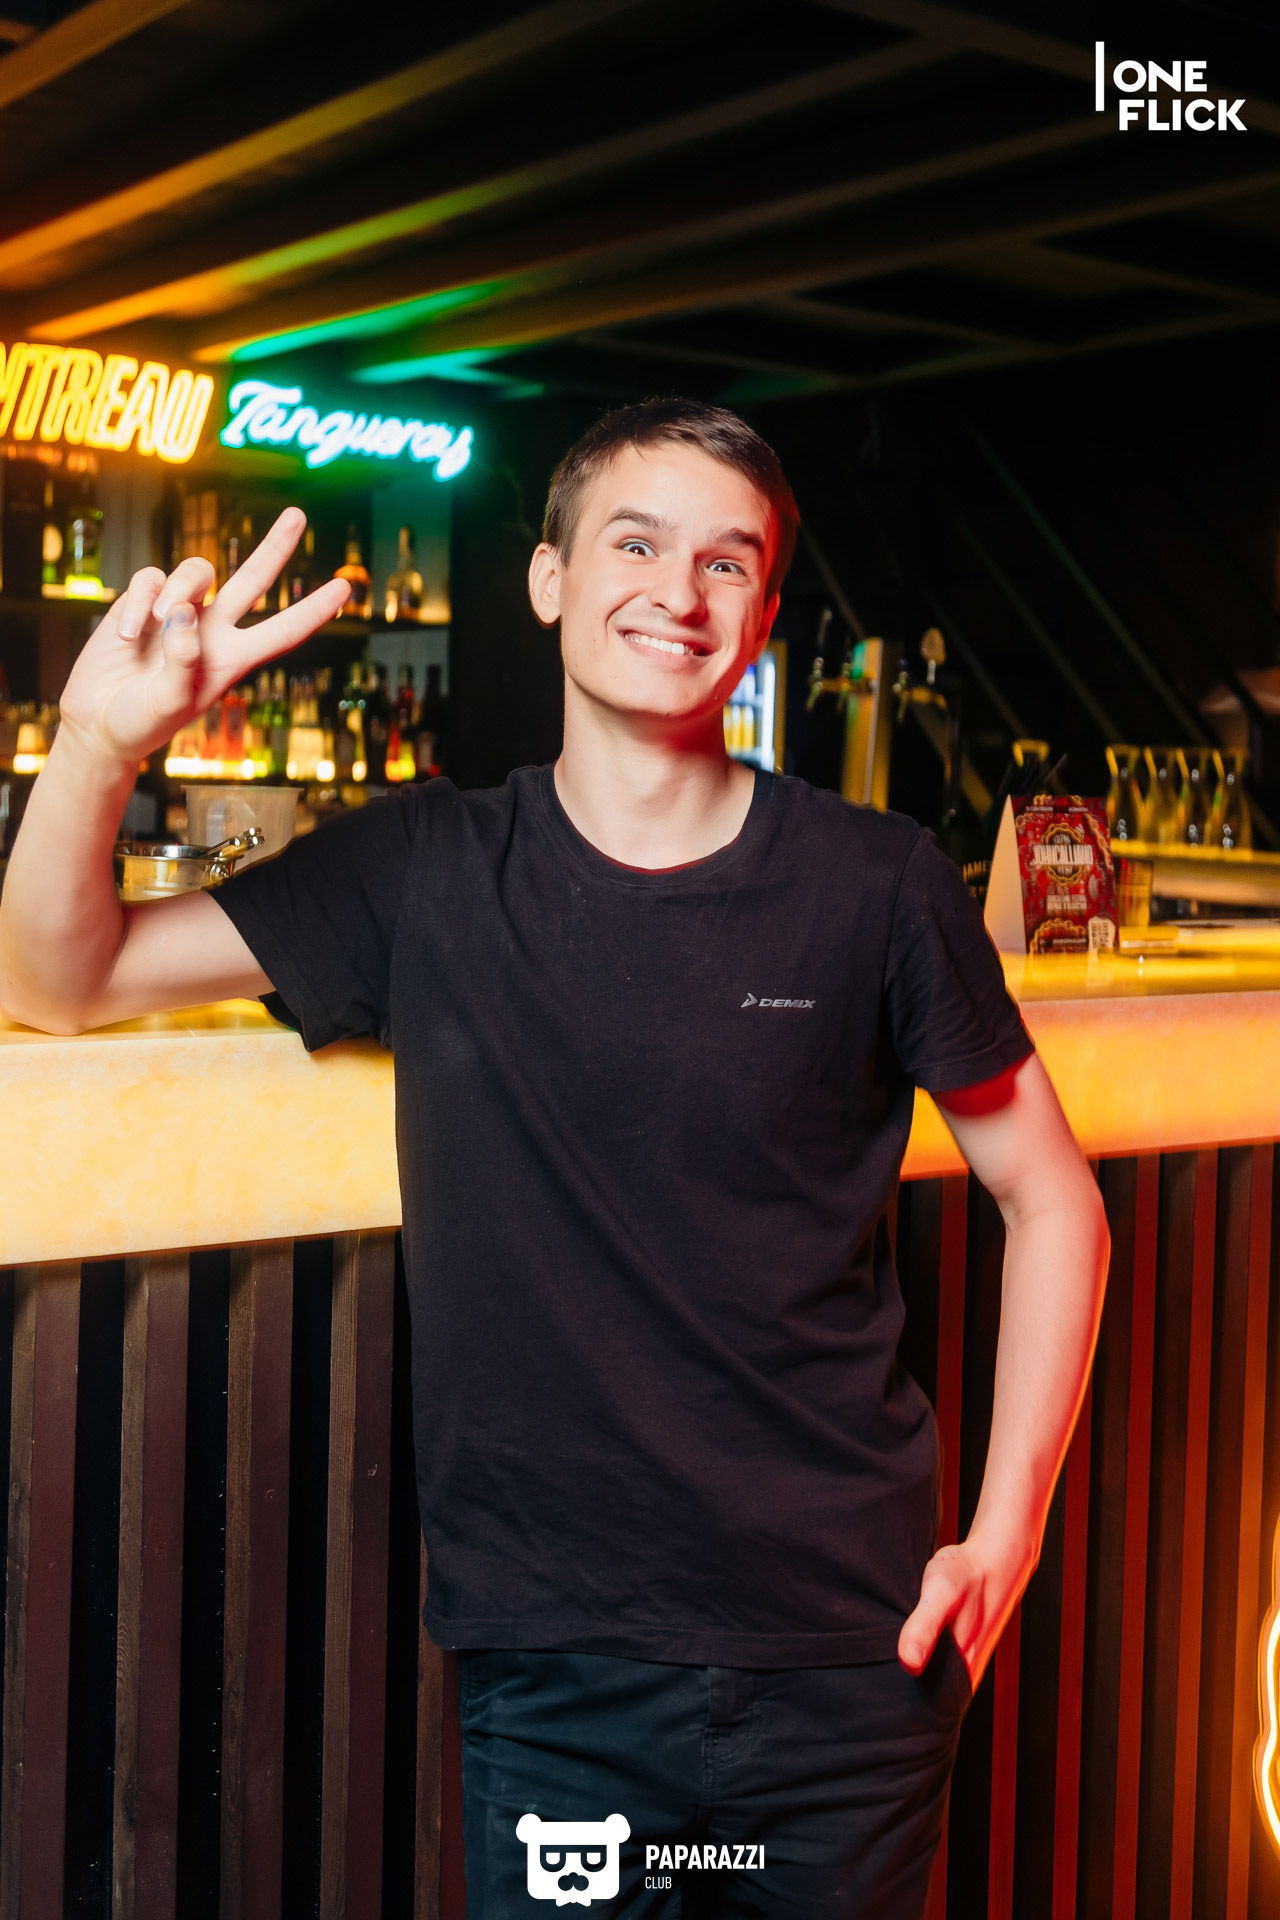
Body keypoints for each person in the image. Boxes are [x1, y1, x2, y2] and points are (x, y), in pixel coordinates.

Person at [0, 400, 1107, 1918]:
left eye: (728, 562)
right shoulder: (423, 870)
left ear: (765, 616)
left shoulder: (878, 883)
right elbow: (57, 977)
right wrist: (99, 744)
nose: (679, 592)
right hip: (559, 1679)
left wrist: (1008, 1534)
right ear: (548, 578)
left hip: (854, 1663)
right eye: (634, 544)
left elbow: (1052, 1197)